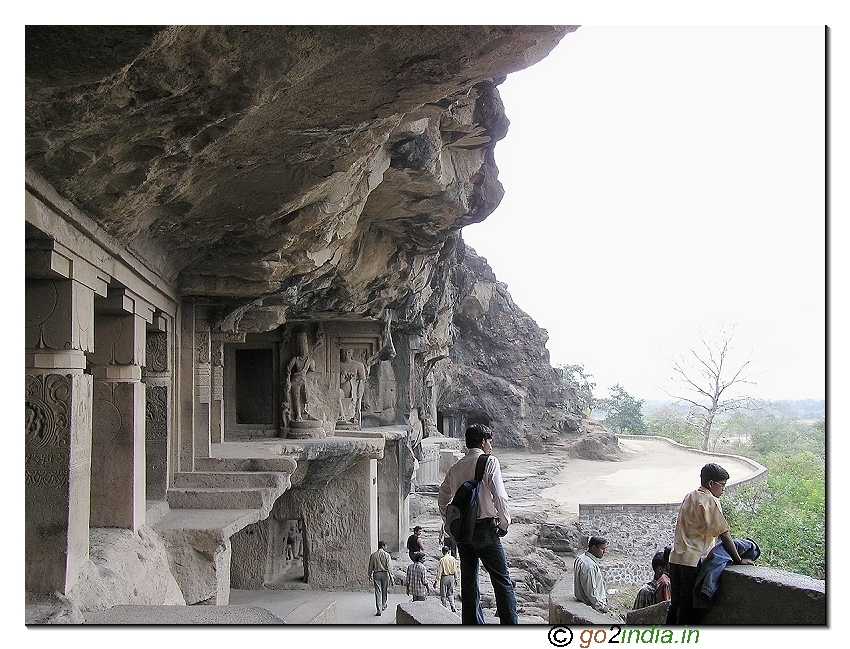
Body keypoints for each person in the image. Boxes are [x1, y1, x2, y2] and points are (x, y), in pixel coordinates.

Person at [438, 423, 518, 624]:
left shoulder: (456, 467)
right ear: (483, 442)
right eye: (489, 441)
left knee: (469, 583)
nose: (490, 445)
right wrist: (504, 523)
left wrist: (448, 522)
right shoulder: (489, 462)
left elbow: (443, 496)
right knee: (502, 581)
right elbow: (500, 495)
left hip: (464, 532)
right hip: (485, 529)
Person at [666, 463, 755, 625]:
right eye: (722, 485)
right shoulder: (709, 500)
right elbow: (724, 534)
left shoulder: (690, 496)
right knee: (687, 609)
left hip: (676, 558)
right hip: (693, 561)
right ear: (711, 484)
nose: (723, 489)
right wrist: (738, 559)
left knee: (675, 605)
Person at [284, 331, 316, 422]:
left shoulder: (309, 360)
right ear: (297, 347)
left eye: (304, 343)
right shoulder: (295, 359)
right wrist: (287, 380)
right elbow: (288, 369)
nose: (303, 346)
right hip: (295, 381)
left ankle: (306, 412)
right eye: (300, 344)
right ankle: (298, 415)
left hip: (303, 380)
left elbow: (312, 369)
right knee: (296, 397)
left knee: (306, 397)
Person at [573, 536, 610, 613]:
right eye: (602, 549)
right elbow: (591, 591)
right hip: (592, 608)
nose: (604, 552)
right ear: (593, 548)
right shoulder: (590, 566)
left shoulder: (581, 558)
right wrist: (601, 607)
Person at [338, 348, 367, 424]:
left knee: (351, 410)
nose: (346, 355)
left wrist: (360, 397)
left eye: (349, 352)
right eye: (344, 352)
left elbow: (362, 381)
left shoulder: (358, 365)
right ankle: (341, 415)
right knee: (338, 394)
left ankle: (350, 417)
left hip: (352, 392)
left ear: (352, 352)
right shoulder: (337, 364)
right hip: (340, 390)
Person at [367, 540, 394, 616]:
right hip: (385, 574)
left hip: (376, 574)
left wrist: (369, 575)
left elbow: (370, 566)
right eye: (386, 546)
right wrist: (392, 577)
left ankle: (379, 609)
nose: (387, 547)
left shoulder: (373, 555)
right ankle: (383, 605)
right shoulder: (387, 555)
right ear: (383, 546)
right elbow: (389, 567)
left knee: (378, 591)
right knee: (384, 590)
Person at [433, 545, 459, 612]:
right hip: (451, 577)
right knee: (450, 593)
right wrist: (456, 579)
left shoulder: (442, 560)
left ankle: (444, 607)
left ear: (442, 552)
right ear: (448, 551)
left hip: (444, 577)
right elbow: (456, 570)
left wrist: (436, 581)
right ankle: (452, 605)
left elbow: (440, 571)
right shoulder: (453, 559)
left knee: (443, 594)